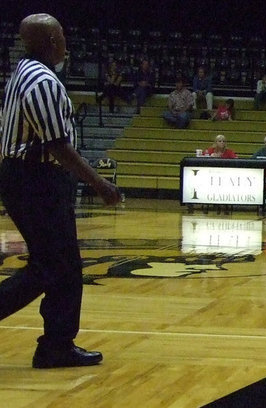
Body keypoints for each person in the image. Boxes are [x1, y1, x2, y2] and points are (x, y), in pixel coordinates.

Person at [0, 13, 121, 369]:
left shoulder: (23, 72)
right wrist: (99, 183)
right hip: (35, 180)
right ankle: (55, 344)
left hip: (27, 178)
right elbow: (57, 145)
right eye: (63, 36)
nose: (66, 42)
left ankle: (55, 343)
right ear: (53, 42)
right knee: (57, 267)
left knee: (55, 266)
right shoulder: (42, 82)